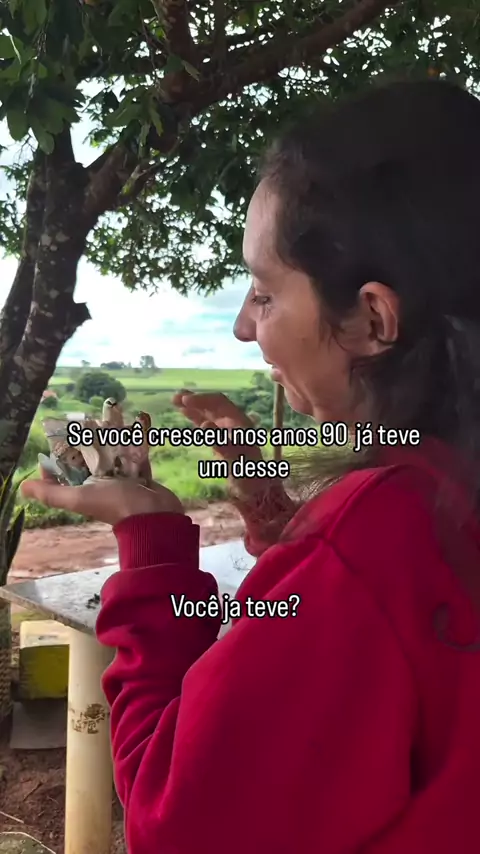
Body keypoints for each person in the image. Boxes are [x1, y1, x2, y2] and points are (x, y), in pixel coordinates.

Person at [23, 78, 480, 853]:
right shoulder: (441, 492)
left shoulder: (376, 541)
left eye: (263, 293)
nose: (241, 325)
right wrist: (280, 517)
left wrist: (154, 547)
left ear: (373, 317)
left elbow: (175, 819)